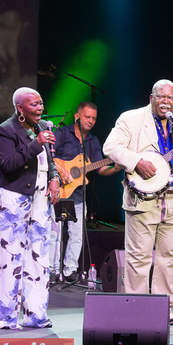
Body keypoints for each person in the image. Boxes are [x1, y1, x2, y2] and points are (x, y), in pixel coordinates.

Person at [103, 79, 173, 324]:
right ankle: (136, 310)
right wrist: (136, 162)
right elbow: (111, 147)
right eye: (161, 96)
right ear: (151, 97)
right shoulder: (130, 119)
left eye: (171, 98)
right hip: (143, 200)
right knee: (139, 257)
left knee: (168, 258)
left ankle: (164, 308)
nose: (166, 102)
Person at [0, 87, 61, 329]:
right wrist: (35, 144)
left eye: (41, 103)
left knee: (39, 258)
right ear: (20, 108)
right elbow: (9, 165)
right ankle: (5, 317)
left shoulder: (44, 127)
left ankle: (36, 315)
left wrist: (54, 179)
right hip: (14, 197)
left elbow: (51, 159)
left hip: (40, 198)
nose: (40, 108)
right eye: (34, 104)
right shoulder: (5, 130)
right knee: (8, 257)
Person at [50, 101, 121, 282]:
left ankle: (70, 270)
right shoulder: (63, 133)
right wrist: (61, 169)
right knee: (54, 232)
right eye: (87, 117)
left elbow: (99, 167)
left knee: (77, 233)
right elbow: (48, 154)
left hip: (79, 192)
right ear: (77, 116)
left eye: (94, 118)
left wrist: (115, 168)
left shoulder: (93, 141)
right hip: (58, 189)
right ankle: (52, 270)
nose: (90, 121)